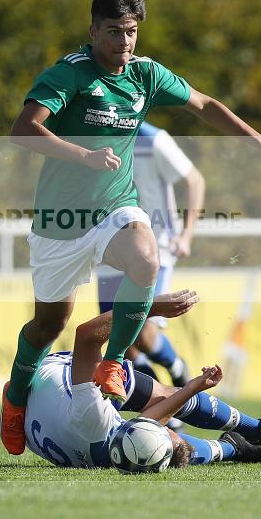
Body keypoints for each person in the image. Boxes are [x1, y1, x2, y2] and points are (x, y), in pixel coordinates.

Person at [3, 0, 261, 455]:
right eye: (114, 32)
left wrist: (259, 143)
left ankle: (115, 363)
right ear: (92, 31)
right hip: (61, 222)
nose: (125, 42)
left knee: (146, 258)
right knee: (48, 327)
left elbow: (203, 104)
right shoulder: (70, 74)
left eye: (131, 31)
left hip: (115, 207)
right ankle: (14, 397)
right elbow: (23, 130)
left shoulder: (145, 75)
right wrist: (83, 153)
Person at [23, 289, 261, 469]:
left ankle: (257, 429)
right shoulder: (113, 456)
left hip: (59, 372)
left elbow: (85, 335)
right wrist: (193, 386)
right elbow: (152, 430)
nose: (173, 437)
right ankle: (237, 447)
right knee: (171, 443)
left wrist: (151, 307)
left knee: (163, 393)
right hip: (42, 416)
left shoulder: (92, 417)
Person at [98, 121, 204, 392]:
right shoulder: (89, 134)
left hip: (156, 247)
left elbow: (195, 180)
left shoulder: (153, 139)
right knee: (119, 338)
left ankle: (176, 366)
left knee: (142, 333)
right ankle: (166, 407)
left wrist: (187, 235)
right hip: (111, 249)